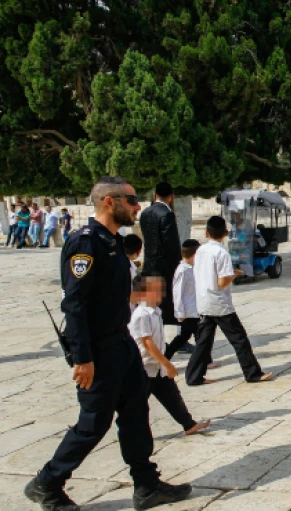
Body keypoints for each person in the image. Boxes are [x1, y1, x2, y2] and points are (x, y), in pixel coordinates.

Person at [24, 176, 191, 511]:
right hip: (99, 351)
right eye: (131, 200)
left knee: (135, 414)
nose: (137, 206)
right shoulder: (86, 243)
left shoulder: (113, 242)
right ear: (109, 201)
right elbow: (74, 304)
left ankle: (146, 484)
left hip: (122, 344)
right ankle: (47, 483)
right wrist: (82, 358)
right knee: (93, 424)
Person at [185, 216, 273, 386]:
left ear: (207, 232)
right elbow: (222, 282)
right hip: (219, 303)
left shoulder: (200, 251)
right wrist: (233, 274)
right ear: (225, 233)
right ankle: (252, 373)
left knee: (204, 342)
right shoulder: (221, 253)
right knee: (239, 339)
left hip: (203, 301)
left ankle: (194, 376)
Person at [128, 276, 210, 435]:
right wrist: (167, 363)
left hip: (156, 367)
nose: (160, 293)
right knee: (136, 404)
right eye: (155, 290)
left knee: (172, 397)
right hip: (144, 368)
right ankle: (127, 432)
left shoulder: (156, 312)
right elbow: (148, 344)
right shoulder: (141, 315)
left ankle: (188, 424)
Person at [139, 183, 185, 352]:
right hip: (164, 269)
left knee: (152, 306)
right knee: (172, 306)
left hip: (149, 266)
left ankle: (154, 339)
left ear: (154, 195)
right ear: (171, 196)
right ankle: (178, 339)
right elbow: (171, 246)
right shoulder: (167, 215)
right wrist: (178, 268)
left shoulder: (144, 213)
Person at [167, 240, 216, 366]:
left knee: (183, 337)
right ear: (194, 255)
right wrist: (179, 312)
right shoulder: (182, 270)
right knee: (201, 337)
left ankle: (165, 357)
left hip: (195, 309)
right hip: (189, 311)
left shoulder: (192, 268)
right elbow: (177, 293)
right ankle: (204, 362)